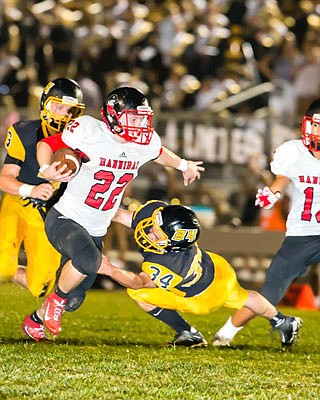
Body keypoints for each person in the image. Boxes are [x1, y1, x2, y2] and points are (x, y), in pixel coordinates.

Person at [23, 86, 204, 341]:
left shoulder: (142, 144)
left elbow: (159, 153)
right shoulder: (88, 131)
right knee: (88, 261)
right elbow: (47, 143)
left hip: (97, 228)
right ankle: (54, 300)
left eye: (143, 118)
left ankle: (35, 320)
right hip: (67, 217)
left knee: (74, 299)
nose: (140, 125)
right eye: (134, 118)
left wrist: (184, 165)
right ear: (112, 116)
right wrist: (45, 169)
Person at [97, 200, 302, 348]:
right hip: (218, 270)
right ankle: (282, 321)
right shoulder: (159, 217)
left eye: (156, 233)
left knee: (139, 295)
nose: (149, 231)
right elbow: (120, 215)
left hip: (201, 298)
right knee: (243, 296)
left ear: (172, 244)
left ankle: (188, 333)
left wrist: (109, 269)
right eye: (153, 226)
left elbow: (138, 282)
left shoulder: (169, 263)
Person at [213, 98, 320, 346]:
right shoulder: (294, 152)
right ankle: (226, 334)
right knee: (272, 289)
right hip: (303, 233)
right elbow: (282, 178)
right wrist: (273, 192)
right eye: (317, 125)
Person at [0, 78, 85, 340]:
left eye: (70, 110)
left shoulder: (79, 140)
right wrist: (30, 189)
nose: (64, 114)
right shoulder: (25, 131)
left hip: (47, 214)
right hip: (18, 202)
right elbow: (4, 178)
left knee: (41, 285)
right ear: (45, 105)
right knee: (2, 266)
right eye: (59, 107)